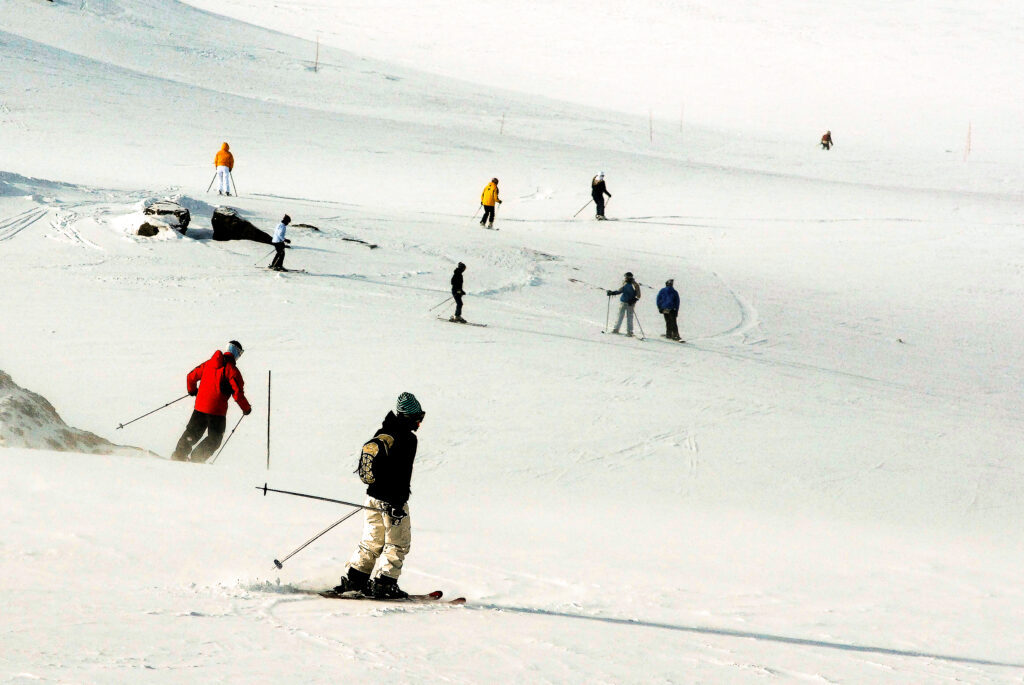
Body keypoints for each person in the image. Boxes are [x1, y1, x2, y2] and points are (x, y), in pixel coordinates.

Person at [334, 392, 426, 599]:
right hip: (393, 502)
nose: (420, 421)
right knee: (397, 543)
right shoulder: (408, 439)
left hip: (372, 498)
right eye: (419, 417)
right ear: (410, 416)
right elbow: (402, 474)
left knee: (371, 541)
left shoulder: (384, 432)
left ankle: (356, 579)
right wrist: (398, 503)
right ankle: (385, 584)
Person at [171, 341, 251, 462]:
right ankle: (196, 459)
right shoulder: (233, 371)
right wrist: (246, 409)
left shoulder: (208, 364)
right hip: (217, 412)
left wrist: (192, 390)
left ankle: (178, 456)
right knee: (215, 439)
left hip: (199, 408)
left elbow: (191, 376)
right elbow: (238, 394)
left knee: (192, 434)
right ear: (236, 353)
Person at [607, 272, 640, 336]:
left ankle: (629, 331)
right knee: (620, 316)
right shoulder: (625, 283)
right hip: (624, 302)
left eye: (627, 277)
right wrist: (612, 293)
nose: (626, 278)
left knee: (629, 317)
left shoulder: (634, 285)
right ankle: (616, 329)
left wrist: (633, 300)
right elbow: (620, 291)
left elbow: (638, 295)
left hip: (630, 303)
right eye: (626, 277)